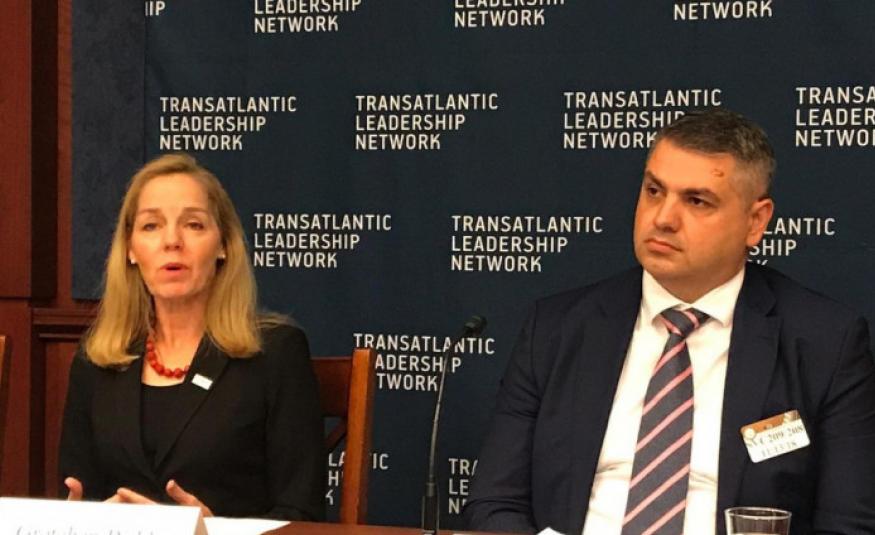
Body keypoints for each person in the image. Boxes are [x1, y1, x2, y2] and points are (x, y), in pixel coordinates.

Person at [464, 109, 875, 534]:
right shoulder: (557, 328)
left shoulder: (825, 342)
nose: (663, 218)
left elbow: (848, 525)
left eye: (696, 201)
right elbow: (495, 502)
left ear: (755, 222)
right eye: (654, 191)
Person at [59, 153, 325, 520]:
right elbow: (77, 492)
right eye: (151, 226)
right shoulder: (96, 360)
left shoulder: (276, 353)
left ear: (223, 245)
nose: (172, 241)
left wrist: (217, 532)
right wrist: (73, 521)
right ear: (131, 250)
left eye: (194, 225)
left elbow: (302, 513)